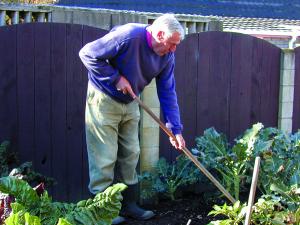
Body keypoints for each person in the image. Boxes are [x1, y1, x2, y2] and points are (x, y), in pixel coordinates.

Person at [79, 13, 186, 224]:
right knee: (104, 156)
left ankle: (129, 205)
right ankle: (102, 213)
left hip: (131, 101)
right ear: (160, 34)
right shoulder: (128, 36)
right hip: (103, 99)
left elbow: (167, 91)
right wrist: (115, 78)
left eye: (176, 45)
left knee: (131, 153)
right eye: (172, 44)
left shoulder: (167, 57)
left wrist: (175, 129)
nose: (174, 50)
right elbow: (87, 53)